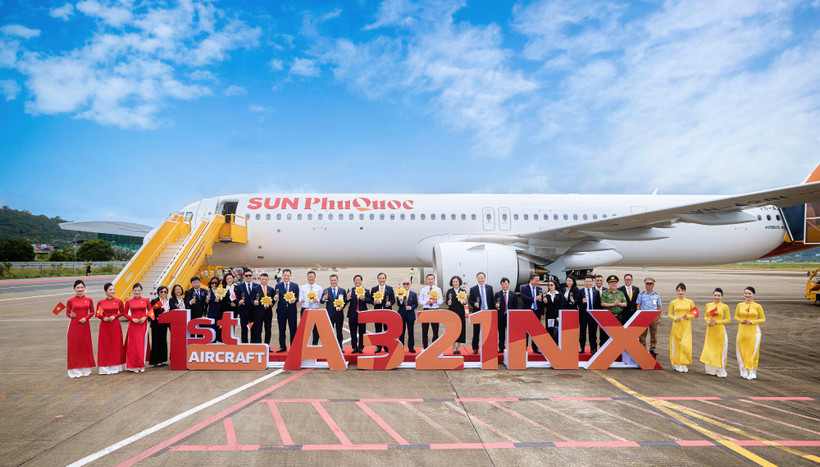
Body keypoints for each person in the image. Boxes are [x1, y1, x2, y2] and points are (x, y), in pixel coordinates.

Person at [65, 279, 95, 378]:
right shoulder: (70, 301)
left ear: (85, 288)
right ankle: (74, 370)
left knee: (85, 346)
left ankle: (85, 369)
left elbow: (92, 312)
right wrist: (71, 315)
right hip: (74, 325)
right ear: (74, 289)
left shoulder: (89, 300)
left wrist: (86, 318)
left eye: (82, 287)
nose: (80, 289)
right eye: (78, 288)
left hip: (85, 325)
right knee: (74, 347)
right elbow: (67, 313)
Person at [735, 286, 765, 380]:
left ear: (753, 295)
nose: (747, 295)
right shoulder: (740, 305)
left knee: (753, 351)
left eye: (749, 293)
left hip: (753, 330)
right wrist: (741, 320)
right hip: (742, 330)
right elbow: (736, 316)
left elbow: (763, 319)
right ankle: (743, 370)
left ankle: (752, 371)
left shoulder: (757, 306)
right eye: (746, 293)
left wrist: (752, 322)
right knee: (741, 351)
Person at [699, 287, 730, 377]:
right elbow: (705, 316)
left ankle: (720, 369)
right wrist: (708, 321)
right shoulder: (708, 305)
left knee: (720, 349)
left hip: (720, 330)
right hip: (710, 330)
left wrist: (718, 322)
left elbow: (728, 319)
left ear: (722, 297)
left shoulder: (725, 307)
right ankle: (710, 369)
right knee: (710, 349)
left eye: (718, 296)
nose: (716, 297)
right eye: (715, 295)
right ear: (712, 295)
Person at [96, 282, 125, 374]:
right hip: (105, 325)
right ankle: (104, 368)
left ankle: (116, 366)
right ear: (105, 291)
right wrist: (103, 317)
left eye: (113, 289)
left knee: (116, 344)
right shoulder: (101, 302)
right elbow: (98, 314)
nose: (113, 291)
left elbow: (122, 312)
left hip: (115, 325)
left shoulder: (119, 301)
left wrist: (115, 316)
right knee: (105, 345)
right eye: (110, 290)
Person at [124, 283, 151, 373]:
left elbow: (151, 311)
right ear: (132, 291)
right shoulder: (128, 301)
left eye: (139, 290)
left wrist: (145, 317)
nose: (137, 292)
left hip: (143, 324)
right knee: (133, 345)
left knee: (142, 344)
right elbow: (125, 313)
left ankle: (141, 364)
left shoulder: (146, 300)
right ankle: (133, 365)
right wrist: (132, 319)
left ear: (141, 291)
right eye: (135, 290)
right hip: (133, 324)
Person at [668, 282, 695, 373]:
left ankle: (684, 363)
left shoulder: (690, 302)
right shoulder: (673, 302)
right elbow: (669, 314)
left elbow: (695, 313)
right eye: (678, 290)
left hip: (686, 325)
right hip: (676, 325)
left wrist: (689, 316)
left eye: (682, 290)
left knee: (685, 344)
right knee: (677, 344)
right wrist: (675, 318)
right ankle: (677, 363)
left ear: (685, 291)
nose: (680, 292)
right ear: (676, 291)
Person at [274, 269, 299, 352]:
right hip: (281, 311)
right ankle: (282, 346)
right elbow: (276, 296)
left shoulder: (295, 286)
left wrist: (295, 299)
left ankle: (294, 346)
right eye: (285, 275)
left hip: (292, 311)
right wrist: (275, 298)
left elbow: (298, 297)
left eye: (288, 275)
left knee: (293, 329)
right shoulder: (278, 286)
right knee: (281, 329)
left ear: (290, 276)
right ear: (282, 276)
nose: (286, 277)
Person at [468, 272, 494, 354]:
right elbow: (470, 300)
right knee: (476, 331)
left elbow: (492, 300)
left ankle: (487, 347)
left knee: (488, 332)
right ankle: (475, 348)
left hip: (487, 312)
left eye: (482, 278)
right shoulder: (473, 289)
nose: (481, 280)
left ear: (485, 278)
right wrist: (474, 304)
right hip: (478, 312)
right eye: (479, 278)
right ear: (477, 279)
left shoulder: (489, 288)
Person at [370, 272, 395, 353]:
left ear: (385, 279)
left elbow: (393, 299)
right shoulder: (374, 289)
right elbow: (371, 299)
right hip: (377, 312)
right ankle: (379, 346)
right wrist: (374, 301)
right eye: (380, 278)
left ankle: (386, 346)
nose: (381, 280)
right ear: (377, 279)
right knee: (378, 329)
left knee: (386, 330)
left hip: (387, 312)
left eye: (383, 278)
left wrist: (390, 303)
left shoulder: (390, 288)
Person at [636, 277, 661, 356]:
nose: (648, 286)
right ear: (645, 285)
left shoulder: (656, 295)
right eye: (647, 284)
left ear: (653, 285)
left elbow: (659, 307)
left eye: (650, 284)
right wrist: (639, 316)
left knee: (653, 333)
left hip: (653, 316)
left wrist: (659, 317)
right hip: (644, 316)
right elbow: (638, 306)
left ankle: (652, 349)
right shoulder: (641, 295)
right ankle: (642, 348)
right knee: (643, 334)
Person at [320, 274, 347, 348]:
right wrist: (323, 298)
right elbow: (321, 301)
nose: (333, 282)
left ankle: (340, 347)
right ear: (329, 281)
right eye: (332, 280)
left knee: (339, 331)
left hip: (339, 314)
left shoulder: (342, 290)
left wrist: (342, 306)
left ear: (337, 281)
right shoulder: (326, 290)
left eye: (335, 280)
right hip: (329, 314)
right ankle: (329, 347)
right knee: (329, 332)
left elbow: (345, 301)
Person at [520, 274, 544, 353]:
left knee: (536, 332)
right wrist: (534, 298)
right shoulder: (524, 288)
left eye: (538, 281)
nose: (537, 282)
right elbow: (524, 298)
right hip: (527, 312)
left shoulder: (539, 289)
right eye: (535, 280)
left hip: (536, 312)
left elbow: (541, 303)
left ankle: (535, 348)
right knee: (525, 331)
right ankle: (524, 348)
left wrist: (542, 313)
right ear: (531, 280)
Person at [600, 275, 627, 345]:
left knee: (617, 335)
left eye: (615, 283)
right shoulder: (605, 293)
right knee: (606, 335)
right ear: (609, 284)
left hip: (618, 317)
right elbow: (602, 304)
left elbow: (625, 304)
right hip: (608, 316)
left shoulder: (620, 293)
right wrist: (613, 304)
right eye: (611, 283)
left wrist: (618, 303)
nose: (613, 284)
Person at [237, 269, 262, 344]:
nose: (248, 277)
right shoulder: (239, 286)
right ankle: (244, 345)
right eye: (246, 275)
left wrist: (258, 302)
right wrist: (239, 301)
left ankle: (253, 345)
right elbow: (237, 298)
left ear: (252, 276)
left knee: (253, 329)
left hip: (254, 313)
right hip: (244, 312)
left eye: (250, 275)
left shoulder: (257, 286)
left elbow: (260, 298)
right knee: (244, 329)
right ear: (244, 276)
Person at [347, 274, 370, 353]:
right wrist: (347, 297)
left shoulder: (365, 290)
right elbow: (346, 301)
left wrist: (364, 298)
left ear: (361, 281)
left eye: (359, 280)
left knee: (362, 332)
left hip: (362, 314)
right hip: (352, 314)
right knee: (352, 332)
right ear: (354, 281)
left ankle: (361, 347)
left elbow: (370, 300)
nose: (357, 281)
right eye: (356, 280)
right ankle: (354, 347)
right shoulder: (350, 290)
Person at [419, 274, 443, 349]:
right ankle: (425, 346)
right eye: (429, 279)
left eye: (431, 279)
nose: (430, 281)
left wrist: (437, 301)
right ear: (426, 280)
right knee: (424, 329)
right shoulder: (423, 290)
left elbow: (441, 300)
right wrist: (425, 303)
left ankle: (434, 345)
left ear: (434, 280)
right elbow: (420, 300)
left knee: (435, 329)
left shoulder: (438, 289)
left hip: (435, 310)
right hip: (426, 310)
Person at [494, 277, 517, 352]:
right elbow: (494, 303)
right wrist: (496, 305)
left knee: (511, 333)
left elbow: (515, 306)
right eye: (502, 284)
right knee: (501, 333)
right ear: (501, 285)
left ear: (509, 284)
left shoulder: (513, 294)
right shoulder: (498, 294)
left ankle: (511, 347)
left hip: (510, 316)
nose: (504, 285)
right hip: (500, 316)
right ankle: (501, 347)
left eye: (505, 284)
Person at [446, 275, 467, 354]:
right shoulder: (449, 291)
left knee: (461, 329)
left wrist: (464, 302)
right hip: (452, 313)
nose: (455, 283)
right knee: (453, 330)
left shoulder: (463, 291)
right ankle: (454, 347)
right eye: (453, 282)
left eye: (456, 281)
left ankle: (459, 346)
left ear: (459, 282)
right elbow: (447, 302)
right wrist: (448, 303)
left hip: (461, 313)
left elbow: (465, 302)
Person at [580, 275, 601, 354]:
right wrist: (581, 301)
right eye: (587, 281)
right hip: (583, 315)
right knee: (582, 332)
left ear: (592, 282)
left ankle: (593, 348)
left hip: (593, 315)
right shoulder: (580, 291)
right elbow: (577, 302)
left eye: (590, 281)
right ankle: (582, 348)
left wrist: (598, 315)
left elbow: (598, 304)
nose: (588, 283)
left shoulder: (596, 291)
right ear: (584, 282)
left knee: (593, 332)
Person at [396, 278, 418, 353]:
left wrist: (411, 307)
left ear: (410, 285)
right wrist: (401, 301)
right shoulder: (399, 293)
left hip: (410, 315)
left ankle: (411, 347)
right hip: (402, 315)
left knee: (411, 332)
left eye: (407, 284)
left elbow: (416, 304)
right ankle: (400, 346)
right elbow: (398, 304)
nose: (406, 285)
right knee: (401, 332)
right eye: (404, 284)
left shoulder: (414, 294)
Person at [543, 279, 564, 343]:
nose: (550, 286)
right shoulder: (547, 295)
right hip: (549, 316)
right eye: (549, 285)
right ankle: (550, 346)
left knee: (558, 332)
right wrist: (545, 302)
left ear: (555, 286)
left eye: (551, 285)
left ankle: (557, 346)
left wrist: (559, 317)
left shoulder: (559, 294)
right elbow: (546, 306)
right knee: (550, 331)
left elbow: (562, 305)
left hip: (557, 316)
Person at [258, 273, 276, 346]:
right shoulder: (255, 289)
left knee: (268, 330)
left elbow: (273, 299)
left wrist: (272, 303)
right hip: (258, 313)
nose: (264, 281)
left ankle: (267, 345)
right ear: (260, 280)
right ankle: (259, 345)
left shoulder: (271, 289)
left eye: (265, 279)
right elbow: (251, 300)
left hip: (268, 313)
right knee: (258, 330)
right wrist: (254, 302)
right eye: (262, 279)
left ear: (268, 280)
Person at [206, 278, 223, 342]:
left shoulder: (221, 291)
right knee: (212, 329)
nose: (214, 284)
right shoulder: (208, 292)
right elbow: (205, 303)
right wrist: (207, 300)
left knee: (218, 329)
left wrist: (220, 299)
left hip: (220, 313)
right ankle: (213, 342)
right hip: (212, 313)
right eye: (212, 283)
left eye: (216, 283)